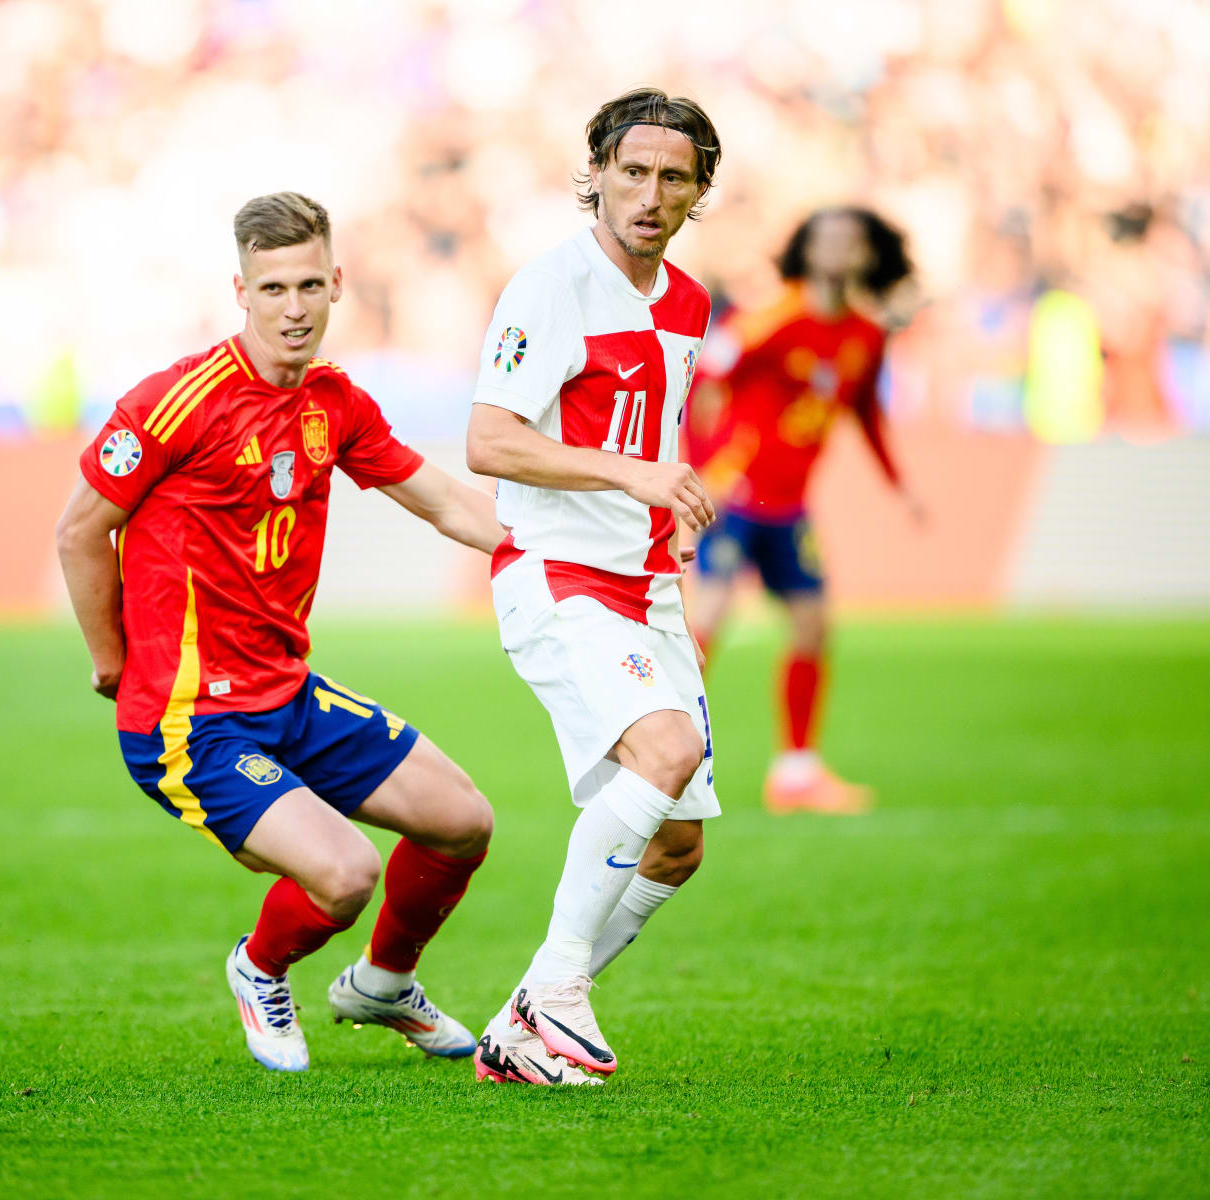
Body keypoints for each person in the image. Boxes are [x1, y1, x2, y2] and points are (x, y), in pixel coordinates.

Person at [57, 192, 506, 1073]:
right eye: (273, 289)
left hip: (287, 695)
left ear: (337, 283)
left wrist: (562, 555)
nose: (293, 308)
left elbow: (448, 501)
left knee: (462, 821)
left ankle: (382, 983)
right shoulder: (176, 401)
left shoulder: (336, 403)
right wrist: (112, 662)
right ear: (242, 291)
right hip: (189, 721)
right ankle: (260, 968)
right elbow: (80, 531)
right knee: (345, 874)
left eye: (308, 285)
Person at [463, 88, 722, 1085]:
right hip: (556, 575)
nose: (650, 195)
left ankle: (524, 1022)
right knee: (664, 750)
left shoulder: (690, 303)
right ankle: (563, 993)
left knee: (677, 848)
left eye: (673, 178)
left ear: (700, 190)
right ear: (599, 175)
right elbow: (491, 440)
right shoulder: (550, 287)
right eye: (632, 172)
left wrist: (667, 540)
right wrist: (632, 477)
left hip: (646, 584)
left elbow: (651, 445)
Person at [685, 207, 924, 815]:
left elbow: (866, 413)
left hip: (789, 508)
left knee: (814, 625)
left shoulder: (867, 336)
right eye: (828, 238)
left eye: (853, 240)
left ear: (870, 254)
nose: (841, 249)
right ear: (805, 249)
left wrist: (899, 485)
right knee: (707, 621)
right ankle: (665, 756)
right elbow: (700, 385)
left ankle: (795, 774)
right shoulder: (767, 315)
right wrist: (704, 473)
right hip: (737, 497)